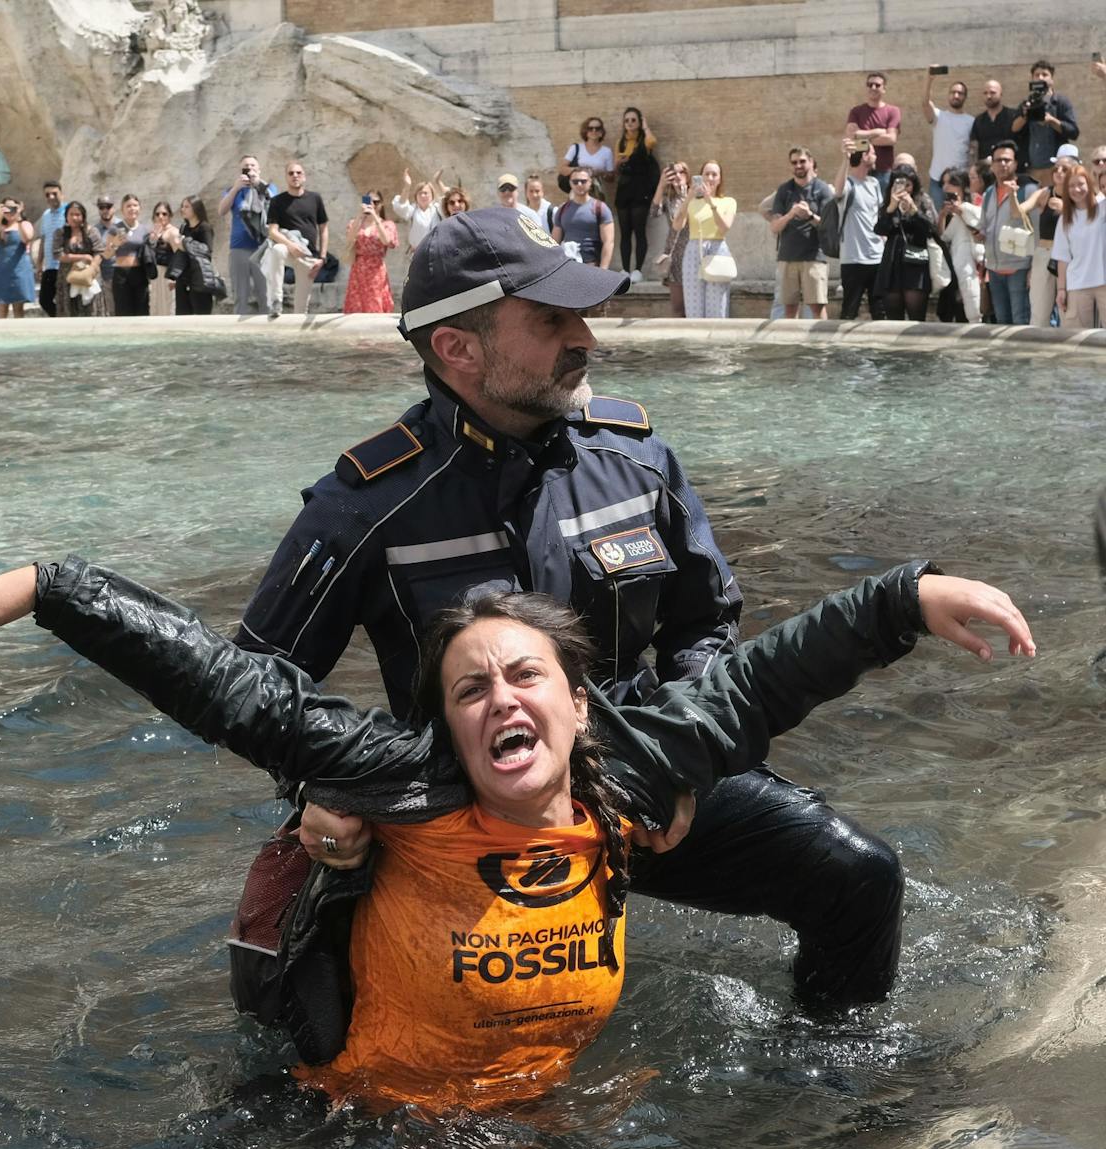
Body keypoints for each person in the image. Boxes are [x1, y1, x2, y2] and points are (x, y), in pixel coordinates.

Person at [0, 554, 1032, 1111]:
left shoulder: (629, 767)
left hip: (543, 1116)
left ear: (577, 701)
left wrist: (906, 599)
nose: (500, 699)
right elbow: (232, 686)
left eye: (524, 676)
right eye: (468, 687)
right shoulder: (403, 783)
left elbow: (762, 674)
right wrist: (50, 588)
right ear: (445, 724)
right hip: (360, 1141)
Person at [231, 207, 933, 1014]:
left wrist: (684, 761)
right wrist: (319, 792)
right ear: (458, 349)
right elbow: (256, 683)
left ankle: (828, 1099)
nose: (588, 339)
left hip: (636, 775)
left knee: (860, 878)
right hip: (453, 811)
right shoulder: (368, 504)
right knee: (315, 1013)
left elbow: (703, 624)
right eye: (552, 320)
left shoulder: (635, 461)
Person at [768, 147, 835, 319]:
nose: (798, 165)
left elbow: (829, 226)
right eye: (794, 162)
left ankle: (820, 345)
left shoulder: (823, 189)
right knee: (789, 309)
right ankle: (793, 346)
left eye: (802, 161)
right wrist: (790, 214)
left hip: (814, 258)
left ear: (811, 163)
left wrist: (810, 215)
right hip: (787, 257)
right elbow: (775, 227)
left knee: (817, 308)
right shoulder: (784, 190)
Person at [978, 140, 1040, 325]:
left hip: (1019, 269)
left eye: (1007, 160)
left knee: (1021, 322)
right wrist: (977, 234)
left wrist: (1033, 269)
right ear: (992, 166)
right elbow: (984, 226)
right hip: (995, 269)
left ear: (1015, 164)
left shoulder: (1028, 190)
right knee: (1002, 321)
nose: (1002, 164)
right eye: (998, 160)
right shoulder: (988, 193)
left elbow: (1037, 232)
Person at [873, 164, 943, 321]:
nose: (904, 189)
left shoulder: (923, 200)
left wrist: (913, 210)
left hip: (916, 263)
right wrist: (891, 207)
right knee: (893, 318)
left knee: (916, 318)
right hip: (892, 264)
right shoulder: (888, 202)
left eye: (908, 185)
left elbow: (931, 229)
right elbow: (880, 229)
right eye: (898, 184)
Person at [264, 161, 328, 320]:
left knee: (301, 309)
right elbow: (272, 231)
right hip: (289, 250)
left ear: (304, 176)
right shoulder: (277, 201)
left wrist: (322, 258)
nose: (295, 176)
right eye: (291, 173)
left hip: (309, 255)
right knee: (277, 250)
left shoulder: (315, 198)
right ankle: (276, 300)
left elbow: (324, 229)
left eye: (298, 173)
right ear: (286, 177)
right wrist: (291, 246)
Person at [832, 139, 887, 321]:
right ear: (864, 156)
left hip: (877, 256)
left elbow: (877, 214)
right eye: (872, 152)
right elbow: (838, 191)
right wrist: (845, 159)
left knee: (880, 311)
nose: (876, 156)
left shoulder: (874, 183)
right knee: (849, 311)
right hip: (853, 258)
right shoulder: (849, 183)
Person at [1024, 148, 1078, 327]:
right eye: (1056, 168)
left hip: (1071, 257)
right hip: (1044, 252)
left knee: (1068, 312)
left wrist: (1065, 209)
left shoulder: (1082, 195)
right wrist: (1011, 194)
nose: (1058, 172)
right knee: (1039, 313)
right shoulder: (1045, 193)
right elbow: (1020, 211)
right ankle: (1039, 354)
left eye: (1064, 168)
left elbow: (1089, 223)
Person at [674, 160, 736, 318]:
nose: (710, 178)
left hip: (717, 249)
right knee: (693, 305)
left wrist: (710, 202)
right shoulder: (692, 203)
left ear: (720, 179)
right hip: (694, 249)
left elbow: (724, 227)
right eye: (706, 174)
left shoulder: (728, 202)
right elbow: (677, 225)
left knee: (717, 307)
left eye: (714, 174)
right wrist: (688, 198)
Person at [220, 155, 277, 314]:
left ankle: (267, 331)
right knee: (240, 295)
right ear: (240, 172)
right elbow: (221, 210)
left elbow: (275, 205)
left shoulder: (269, 188)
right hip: (239, 248)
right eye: (246, 167)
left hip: (263, 248)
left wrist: (259, 185)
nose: (250, 169)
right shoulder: (233, 190)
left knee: (265, 295)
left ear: (259, 170)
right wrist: (235, 189)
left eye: (253, 166)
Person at [1054, 160, 1106, 329]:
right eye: (1071, 186)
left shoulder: (1102, 208)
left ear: (1089, 184)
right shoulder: (1065, 219)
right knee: (1077, 338)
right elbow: (1063, 258)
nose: (1076, 189)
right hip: (1078, 284)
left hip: (1104, 281)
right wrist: (1061, 289)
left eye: (1081, 184)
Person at [1010, 60, 1081, 183]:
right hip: (1031, 168)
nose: (1040, 77)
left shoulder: (1061, 102)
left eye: (1044, 74)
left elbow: (1073, 132)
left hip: (1054, 168)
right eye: (1037, 75)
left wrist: (1051, 121)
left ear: (1052, 80)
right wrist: (1025, 116)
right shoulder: (1027, 103)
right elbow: (1013, 130)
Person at [613, 107, 662, 279]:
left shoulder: (644, 140)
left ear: (639, 122)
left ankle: (638, 270)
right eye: (627, 120)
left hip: (641, 189)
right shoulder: (621, 142)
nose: (630, 124)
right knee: (625, 231)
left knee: (639, 230)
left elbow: (652, 142)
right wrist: (620, 162)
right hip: (624, 189)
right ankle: (625, 269)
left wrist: (645, 126)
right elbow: (616, 168)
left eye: (633, 120)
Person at [923, 72, 977, 209]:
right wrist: (929, 80)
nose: (956, 95)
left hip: (961, 180)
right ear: (948, 95)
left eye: (960, 93)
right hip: (938, 179)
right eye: (953, 92)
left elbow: (973, 150)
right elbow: (925, 103)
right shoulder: (939, 116)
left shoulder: (971, 121)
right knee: (937, 219)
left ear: (965, 97)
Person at [937, 169, 983, 323]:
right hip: (952, 262)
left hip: (974, 262)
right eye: (944, 183)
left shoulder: (976, 202)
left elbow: (980, 228)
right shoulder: (946, 207)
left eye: (950, 182)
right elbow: (942, 236)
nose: (945, 187)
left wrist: (962, 211)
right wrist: (943, 215)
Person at [343, 191, 399, 314]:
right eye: (369, 201)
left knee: (375, 303)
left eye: (376, 202)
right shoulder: (355, 223)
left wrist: (375, 218)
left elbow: (387, 241)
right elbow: (349, 239)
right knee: (356, 304)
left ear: (381, 204)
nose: (372, 204)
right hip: (358, 268)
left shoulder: (387, 224)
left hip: (376, 270)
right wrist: (359, 216)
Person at [847, 71, 902, 191]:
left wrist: (862, 137)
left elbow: (891, 139)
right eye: (870, 84)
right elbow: (852, 137)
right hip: (859, 170)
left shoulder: (893, 111)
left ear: (884, 89)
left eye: (877, 85)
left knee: (882, 207)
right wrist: (879, 131)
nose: (873, 87)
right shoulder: (856, 111)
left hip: (884, 171)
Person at [49, 200, 102, 319]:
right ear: (66, 216)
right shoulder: (60, 233)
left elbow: (99, 252)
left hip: (88, 276)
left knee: (90, 310)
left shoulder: (91, 232)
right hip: (67, 277)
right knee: (69, 311)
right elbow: (57, 254)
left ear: (83, 217)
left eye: (77, 214)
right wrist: (82, 257)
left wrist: (92, 270)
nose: (74, 217)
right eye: (71, 214)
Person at [552, 169, 614, 269]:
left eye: (583, 181)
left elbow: (608, 242)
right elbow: (554, 244)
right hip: (569, 267)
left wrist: (603, 270)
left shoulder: (600, 208)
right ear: (570, 183)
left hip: (592, 266)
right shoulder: (562, 210)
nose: (579, 184)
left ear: (590, 182)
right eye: (575, 181)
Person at [652, 161, 691, 316]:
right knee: (678, 306)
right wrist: (661, 185)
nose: (678, 176)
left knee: (694, 302)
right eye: (673, 173)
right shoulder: (669, 199)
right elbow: (654, 213)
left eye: (682, 172)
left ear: (688, 175)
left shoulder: (697, 195)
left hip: (693, 250)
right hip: (675, 253)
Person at [0, 197, 36, 318]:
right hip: (2, 271)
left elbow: (27, 238)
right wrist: (0, 215)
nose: (9, 211)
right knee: (2, 309)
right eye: (6, 208)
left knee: (18, 309)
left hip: (19, 270)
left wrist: (18, 218)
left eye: (12, 208)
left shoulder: (24, 224)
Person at [109, 194, 151, 317]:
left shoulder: (145, 229)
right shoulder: (115, 228)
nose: (132, 208)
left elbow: (149, 252)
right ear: (122, 210)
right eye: (128, 206)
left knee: (142, 312)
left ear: (140, 208)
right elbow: (107, 254)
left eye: (135, 205)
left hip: (140, 273)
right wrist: (115, 244)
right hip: (121, 274)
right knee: (123, 312)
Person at [172, 196, 216, 316]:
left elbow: (207, 250)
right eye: (182, 206)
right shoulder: (184, 227)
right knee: (182, 315)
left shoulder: (205, 227)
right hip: (183, 277)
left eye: (186, 207)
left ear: (196, 208)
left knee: (201, 315)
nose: (182, 209)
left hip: (199, 278)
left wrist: (185, 244)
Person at [391, 168, 448, 254]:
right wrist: (407, 186)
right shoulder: (413, 210)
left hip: (436, 252)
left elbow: (449, 198)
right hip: (417, 253)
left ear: (432, 195)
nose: (422, 195)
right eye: (420, 193)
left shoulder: (437, 209)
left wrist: (437, 181)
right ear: (416, 196)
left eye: (426, 193)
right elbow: (400, 206)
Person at [33, 181, 67, 317]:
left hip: (64, 265)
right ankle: (59, 318)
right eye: (48, 194)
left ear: (62, 195)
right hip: (50, 266)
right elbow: (44, 239)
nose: (51, 197)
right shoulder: (46, 215)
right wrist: (39, 263)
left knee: (65, 299)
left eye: (55, 193)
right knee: (44, 300)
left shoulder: (69, 212)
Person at [559, 116, 616, 200]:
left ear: (601, 132)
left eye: (597, 128)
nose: (594, 131)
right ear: (585, 131)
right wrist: (580, 170)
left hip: (597, 192)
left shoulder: (606, 152)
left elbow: (611, 178)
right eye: (590, 128)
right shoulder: (576, 148)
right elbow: (562, 169)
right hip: (577, 190)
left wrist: (600, 173)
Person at [970, 80, 1018, 163]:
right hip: (986, 170)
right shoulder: (979, 120)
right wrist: (973, 166)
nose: (988, 96)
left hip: (1009, 167)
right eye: (985, 93)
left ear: (1001, 94)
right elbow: (974, 146)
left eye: (992, 93)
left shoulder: (1013, 116)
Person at [147, 201, 177, 316]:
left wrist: (174, 277)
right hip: (155, 275)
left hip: (166, 274)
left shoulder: (173, 232)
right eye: (157, 214)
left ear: (170, 216)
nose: (161, 216)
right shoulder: (154, 233)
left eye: (164, 214)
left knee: (167, 308)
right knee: (155, 307)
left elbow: (178, 256)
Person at [93, 195, 121, 317]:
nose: (105, 210)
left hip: (124, 274)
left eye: (108, 206)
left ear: (113, 208)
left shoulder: (122, 225)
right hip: (107, 276)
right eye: (102, 207)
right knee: (112, 311)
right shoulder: (95, 230)